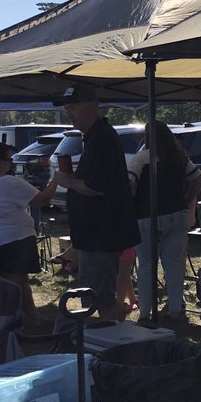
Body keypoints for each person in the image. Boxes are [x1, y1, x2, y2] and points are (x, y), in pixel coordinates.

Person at [51, 85, 140, 321]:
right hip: (95, 235)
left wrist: (68, 181)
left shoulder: (102, 137)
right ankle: (110, 339)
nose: (69, 113)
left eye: (73, 108)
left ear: (92, 106)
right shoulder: (93, 137)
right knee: (94, 295)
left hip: (103, 235)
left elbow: (96, 187)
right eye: (67, 108)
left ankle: (114, 344)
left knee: (99, 297)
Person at [0, 141, 64, 323]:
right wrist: (56, 179)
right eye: (8, 159)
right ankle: (22, 318)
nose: (10, 163)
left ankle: (15, 317)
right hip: (15, 238)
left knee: (2, 283)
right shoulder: (12, 183)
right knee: (18, 283)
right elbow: (43, 199)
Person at [127, 120, 201, 321]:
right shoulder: (179, 158)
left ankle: (145, 312)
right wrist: (187, 199)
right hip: (178, 214)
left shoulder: (142, 157)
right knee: (173, 265)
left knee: (146, 265)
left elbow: (129, 181)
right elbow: (199, 178)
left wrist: (132, 202)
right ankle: (175, 310)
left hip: (148, 216)